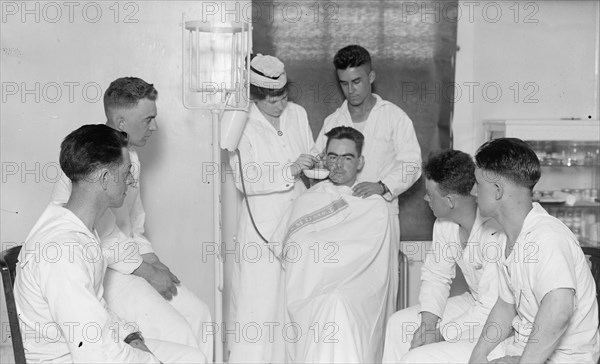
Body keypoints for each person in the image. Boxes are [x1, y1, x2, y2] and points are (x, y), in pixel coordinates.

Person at [51, 77, 213, 360]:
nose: (155, 127)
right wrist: (147, 272)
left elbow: (133, 226)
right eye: (148, 119)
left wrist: (155, 263)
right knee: (178, 333)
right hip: (103, 271)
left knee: (199, 314)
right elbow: (100, 234)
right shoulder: (92, 157)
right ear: (122, 122)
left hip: (130, 262)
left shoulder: (131, 159)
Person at [14, 124, 206, 363]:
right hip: (69, 358)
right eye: (126, 172)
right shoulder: (64, 252)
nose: (131, 180)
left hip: (90, 347)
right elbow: (95, 353)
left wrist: (132, 338)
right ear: (104, 178)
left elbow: (97, 311)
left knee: (191, 356)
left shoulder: (80, 227)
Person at [468, 138, 599, 363]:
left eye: (478, 184)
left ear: (497, 190)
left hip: (563, 359)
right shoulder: (506, 236)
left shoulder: (548, 237)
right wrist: (478, 355)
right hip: (523, 350)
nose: (472, 191)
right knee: (423, 358)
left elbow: (559, 310)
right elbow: (505, 306)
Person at [313, 45, 422, 313]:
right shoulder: (332, 121)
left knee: (379, 291)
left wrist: (382, 186)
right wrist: (315, 164)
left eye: (357, 82)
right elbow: (319, 165)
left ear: (371, 77)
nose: (351, 90)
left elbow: (412, 164)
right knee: (343, 292)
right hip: (341, 218)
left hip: (380, 214)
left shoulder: (394, 117)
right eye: (344, 84)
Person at [275, 126, 392, 363]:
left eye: (347, 157)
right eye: (333, 156)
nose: (338, 164)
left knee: (336, 304)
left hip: (356, 288)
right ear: (324, 159)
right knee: (328, 304)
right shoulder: (309, 198)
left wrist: (316, 247)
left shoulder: (372, 203)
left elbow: (367, 255)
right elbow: (293, 248)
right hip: (307, 289)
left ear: (360, 162)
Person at [227, 54, 316, 363]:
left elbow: (310, 155)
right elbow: (244, 179)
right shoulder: (241, 122)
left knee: (294, 302)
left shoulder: (298, 114)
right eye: (273, 99)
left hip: (297, 220)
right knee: (260, 306)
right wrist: (288, 171)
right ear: (255, 95)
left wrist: (322, 166)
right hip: (261, 228)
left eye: (283, 95)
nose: (281, 104)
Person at [382, 149, 505, 363]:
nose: (425, 198)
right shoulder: (444, 224)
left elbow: (493, 306)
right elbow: (436, 275)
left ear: (449, 201)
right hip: (475, 302)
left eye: (430, 193)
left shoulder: (495, 232)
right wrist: (428, 324)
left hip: (501, 320)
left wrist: (443, 333)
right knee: (399, 323)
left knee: (421, 355)